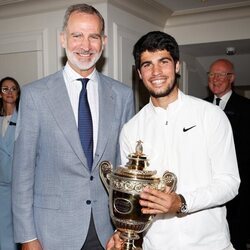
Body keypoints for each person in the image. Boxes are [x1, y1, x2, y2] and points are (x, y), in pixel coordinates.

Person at [12, 4, 134, 250]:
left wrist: (124, 227)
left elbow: (125, 171)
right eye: (77, 35)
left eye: (93, 36)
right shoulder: (36, 95)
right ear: (62, 39)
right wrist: (27, 238)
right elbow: (22, 172)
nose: (85, 46)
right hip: (50, 233)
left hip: (106, 233)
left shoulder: (122, 95)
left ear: (104, 41)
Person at [106, 31, 240, 250]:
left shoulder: (210, 115)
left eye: (164, 62)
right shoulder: (131, 129)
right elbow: (132, 194)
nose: (156, 72)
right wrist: (123, 231)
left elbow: (229, 183)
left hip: (210, 244)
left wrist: (182, 202)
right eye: (147, 65)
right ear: (139, 73)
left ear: (177, 66)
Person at [205, 58, 250, 250]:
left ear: (231, 78)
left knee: (235, 237)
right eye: (212, 74)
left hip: (238, 192)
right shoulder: (200, 106)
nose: (215, 79)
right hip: (206, 188)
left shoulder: (247, 108)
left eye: (221, 74)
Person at [0, 76, 20, 250]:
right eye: (5, 89)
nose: (9, 92)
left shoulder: (26, 119)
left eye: (13, 88)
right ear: (0, 94)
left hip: (19, 184)